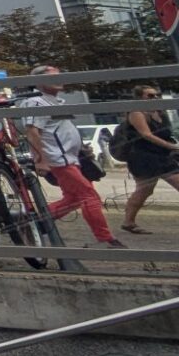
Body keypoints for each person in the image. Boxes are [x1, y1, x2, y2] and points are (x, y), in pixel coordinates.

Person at [20, 66, 123, 247]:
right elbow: (33, 131)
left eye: (59, 76)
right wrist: (41, 159)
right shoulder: (36, 102)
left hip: (70, 158)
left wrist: (81, 148)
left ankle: (37, 223)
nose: (59, 80)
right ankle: (106, 239)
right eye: (53, 78)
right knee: (89, 196)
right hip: (59, 159)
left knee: (74, 199)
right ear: (38, 82)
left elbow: (61, 129)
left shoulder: (55, 101)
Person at [117, 87, 179, 234]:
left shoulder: (159, 112)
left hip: (162, 157)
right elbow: (147, 135)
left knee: (145, 190)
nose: (155, 97)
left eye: (157, 95)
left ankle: (128, 222)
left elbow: (165, 134)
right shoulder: (137, 112)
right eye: (150, 95)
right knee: (144, 190)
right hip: (143, 158)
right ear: (140, 97)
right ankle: (128, 222)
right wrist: (173, 147)